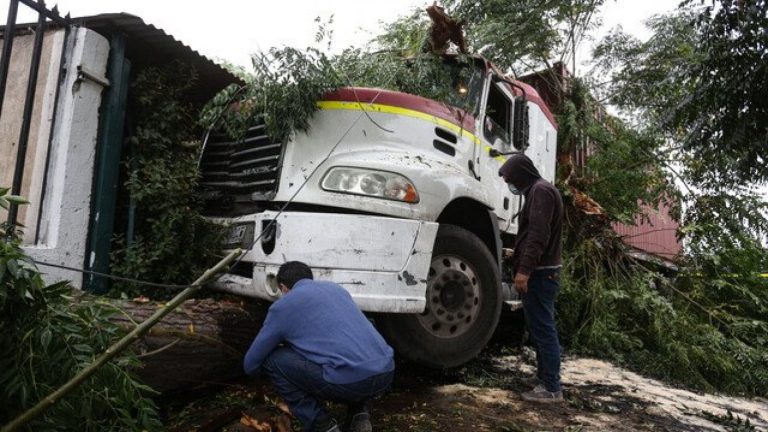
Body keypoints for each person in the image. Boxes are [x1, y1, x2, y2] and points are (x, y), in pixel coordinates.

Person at [243, 261, 395, 432]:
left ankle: (322, 425)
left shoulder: (283, 307)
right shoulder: (336, 290)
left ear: (284, 287)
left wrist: (261, 378)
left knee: (274, 360)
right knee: (357, 345)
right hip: (386, 371)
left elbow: (251, 364)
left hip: (350, 382)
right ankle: (359, 414)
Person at [498, 154, 564, 403]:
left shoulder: (540, 192)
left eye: (510, 179)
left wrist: (524, 270)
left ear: (520, 174)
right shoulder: (540, 190)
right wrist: (518, 253)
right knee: (539, 327)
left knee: (544, 329)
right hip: (542, 269)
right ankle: (544, 378)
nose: (509, 185)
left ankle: (552, 389)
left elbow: (538, 235)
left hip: (540, 273)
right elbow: (535, 236)